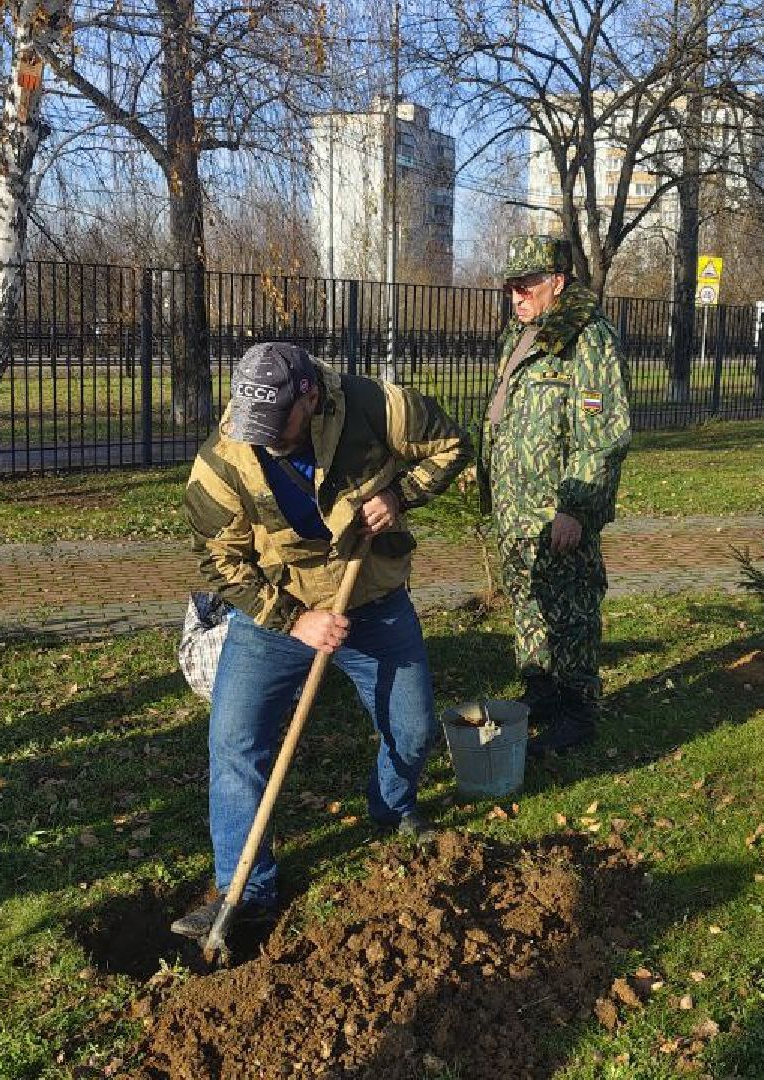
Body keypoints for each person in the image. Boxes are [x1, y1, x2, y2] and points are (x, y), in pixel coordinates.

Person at [172, 342, 470, 935]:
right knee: (235, 742)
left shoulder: (374, 406)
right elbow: (218, 562)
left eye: (273, 424)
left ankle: (391, 809)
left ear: (308, 396)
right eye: (248, 425)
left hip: (373, 601)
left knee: (411, 731)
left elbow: (452, 445)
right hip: (276, 614)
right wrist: (292, 621)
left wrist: (399, 494)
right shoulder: (224, 458)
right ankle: (247, 890)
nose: (259, 438)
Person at [484, 235, 631, 757]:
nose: (517, 296)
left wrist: (575, 508)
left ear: (557, 283)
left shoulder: (587, 339)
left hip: (556, 508)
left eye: (527, 285)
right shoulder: (521, 337)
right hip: (516, 507)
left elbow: (604, 433)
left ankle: (577, 709)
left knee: (570, 611)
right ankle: (540, 692)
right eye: (511, 287)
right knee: (529, 604)